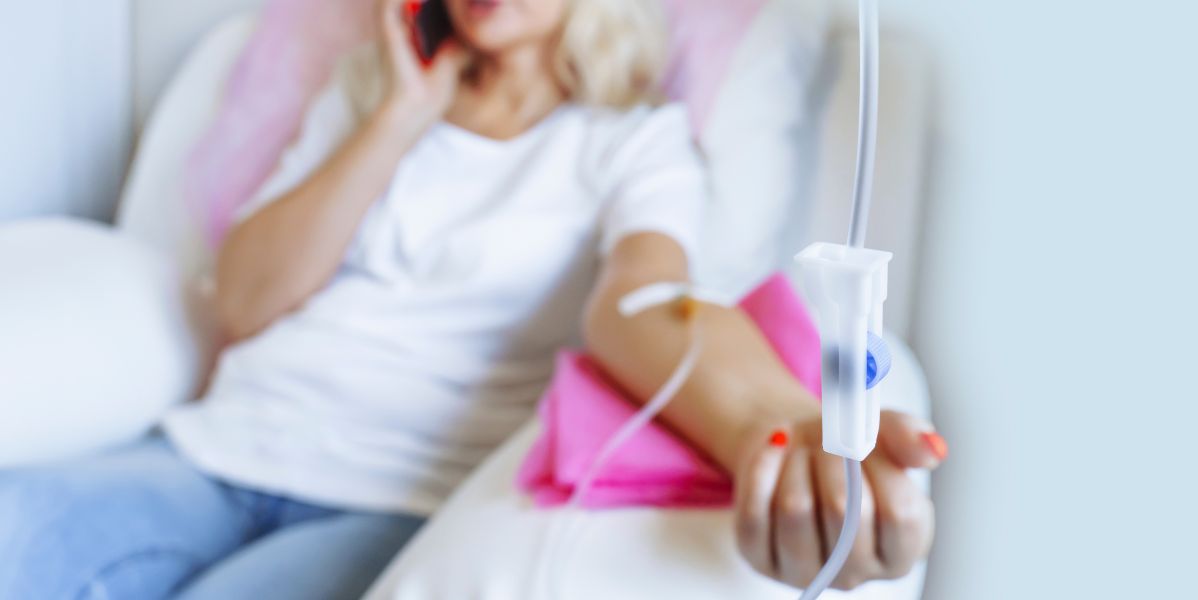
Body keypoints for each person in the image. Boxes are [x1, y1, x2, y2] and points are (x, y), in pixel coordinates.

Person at [0, 0, 944, 597]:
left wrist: (771, 424)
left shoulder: (631, 142)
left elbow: (647, 303)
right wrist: (398, 117)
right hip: (212, 450)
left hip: (389, 494)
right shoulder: (366, 101)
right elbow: (244, 300)